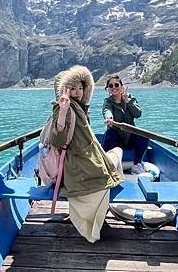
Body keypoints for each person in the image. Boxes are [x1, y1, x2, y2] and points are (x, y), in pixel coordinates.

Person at [48, 65, 123, 243]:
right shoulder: (63, 109)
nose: (78, 92)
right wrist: (63, 112)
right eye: (72, 88)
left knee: (115, 153)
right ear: (63, 91)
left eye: (80, 88)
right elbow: (57, 141)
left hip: (82, 163)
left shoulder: (79, 108)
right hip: (82, 168)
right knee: (118, 152)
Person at [102, 75, 149, 174]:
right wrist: (109, 118)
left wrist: (127, 102)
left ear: (121, 86)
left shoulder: (130, 98)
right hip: (116, 137)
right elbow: (107, 110)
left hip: (130, 136)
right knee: (110, 134)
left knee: (143, 135)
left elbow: (138, 114)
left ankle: (137, 164)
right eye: (111, 86)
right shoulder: (108, 101)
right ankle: (105, 164)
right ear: (108, 89)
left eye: (116, 84)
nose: (114, 87)